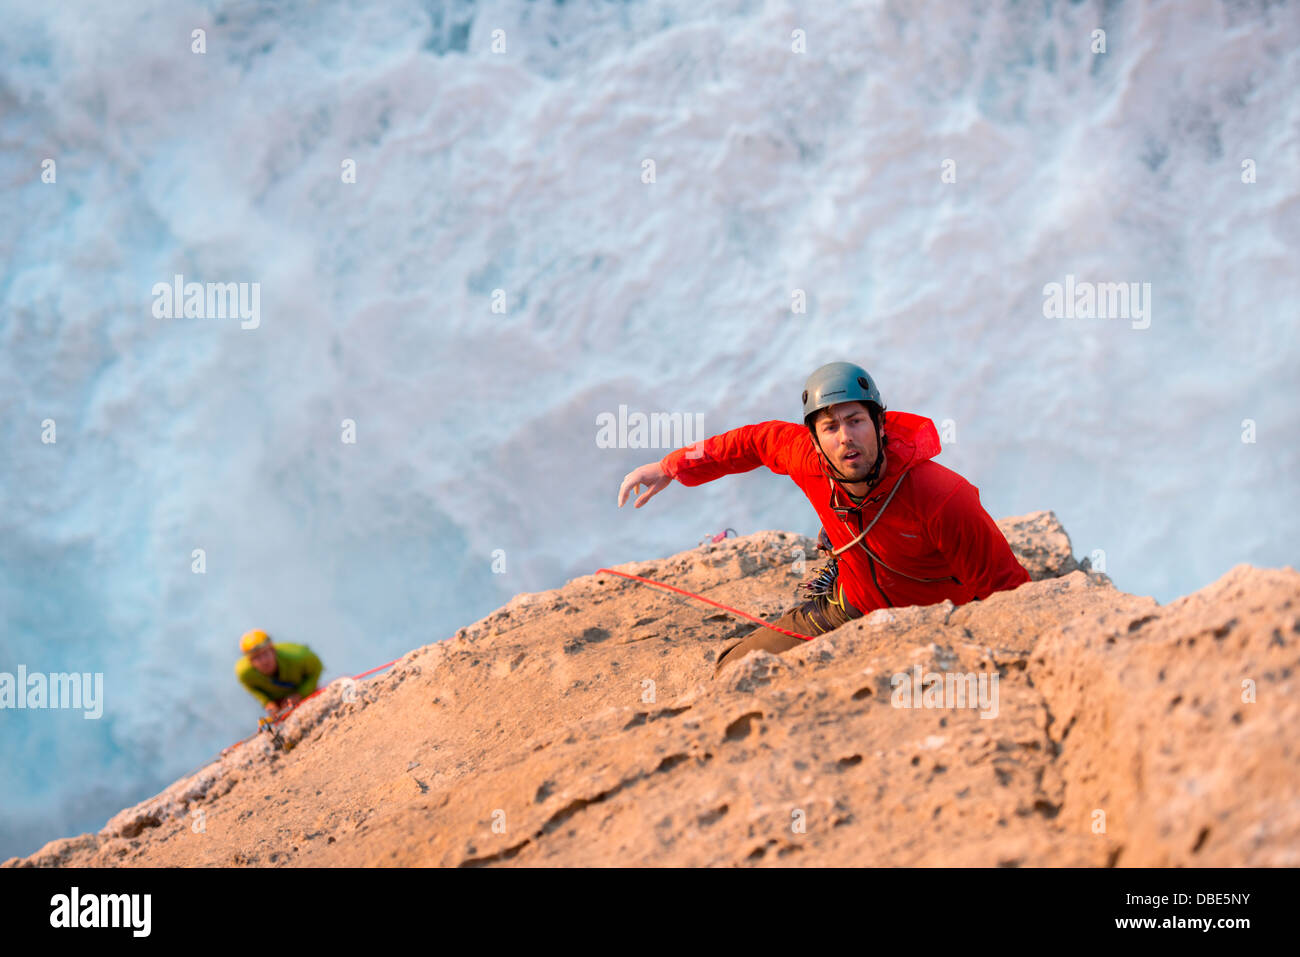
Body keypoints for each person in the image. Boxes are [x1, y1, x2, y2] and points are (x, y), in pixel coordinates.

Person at [617, 361, 1030, 677]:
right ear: (815, 440)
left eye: (855, 421)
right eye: (830, 427)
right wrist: (671, 467)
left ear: (880, 426)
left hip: (933, 624)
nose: (845, 436)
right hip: (851, 605)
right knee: (734, 669)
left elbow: (1008, 591)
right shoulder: (807, 459)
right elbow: (752, 443)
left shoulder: (943, 497)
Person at [234, 629, 323, 715]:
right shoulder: (244, 673)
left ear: (273, 650)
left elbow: (317, 668)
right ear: (250, 662)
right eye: (257, 658)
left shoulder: (298, 656)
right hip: (280, 704)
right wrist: (267, 703)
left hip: (305, 691)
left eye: (265, 653)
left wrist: (300, 693)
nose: (264, 661)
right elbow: (252, 688)